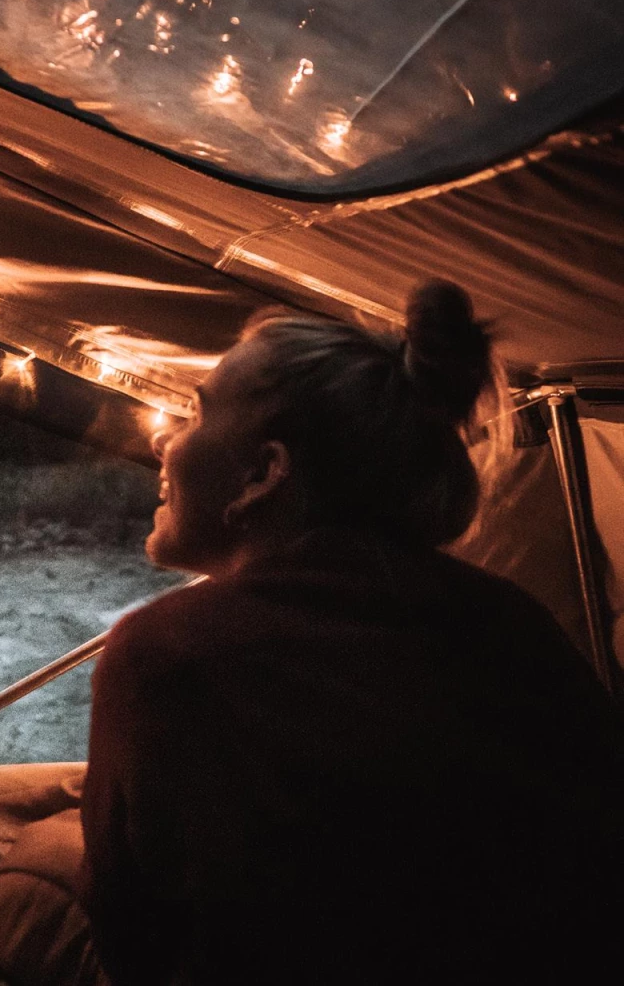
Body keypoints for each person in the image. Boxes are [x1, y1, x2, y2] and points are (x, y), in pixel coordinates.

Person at [79, 281, 624, 984]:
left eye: (194, 412)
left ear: (263, 474)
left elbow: (131, 939)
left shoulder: (169, 656)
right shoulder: (516, 626)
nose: (161, 437)